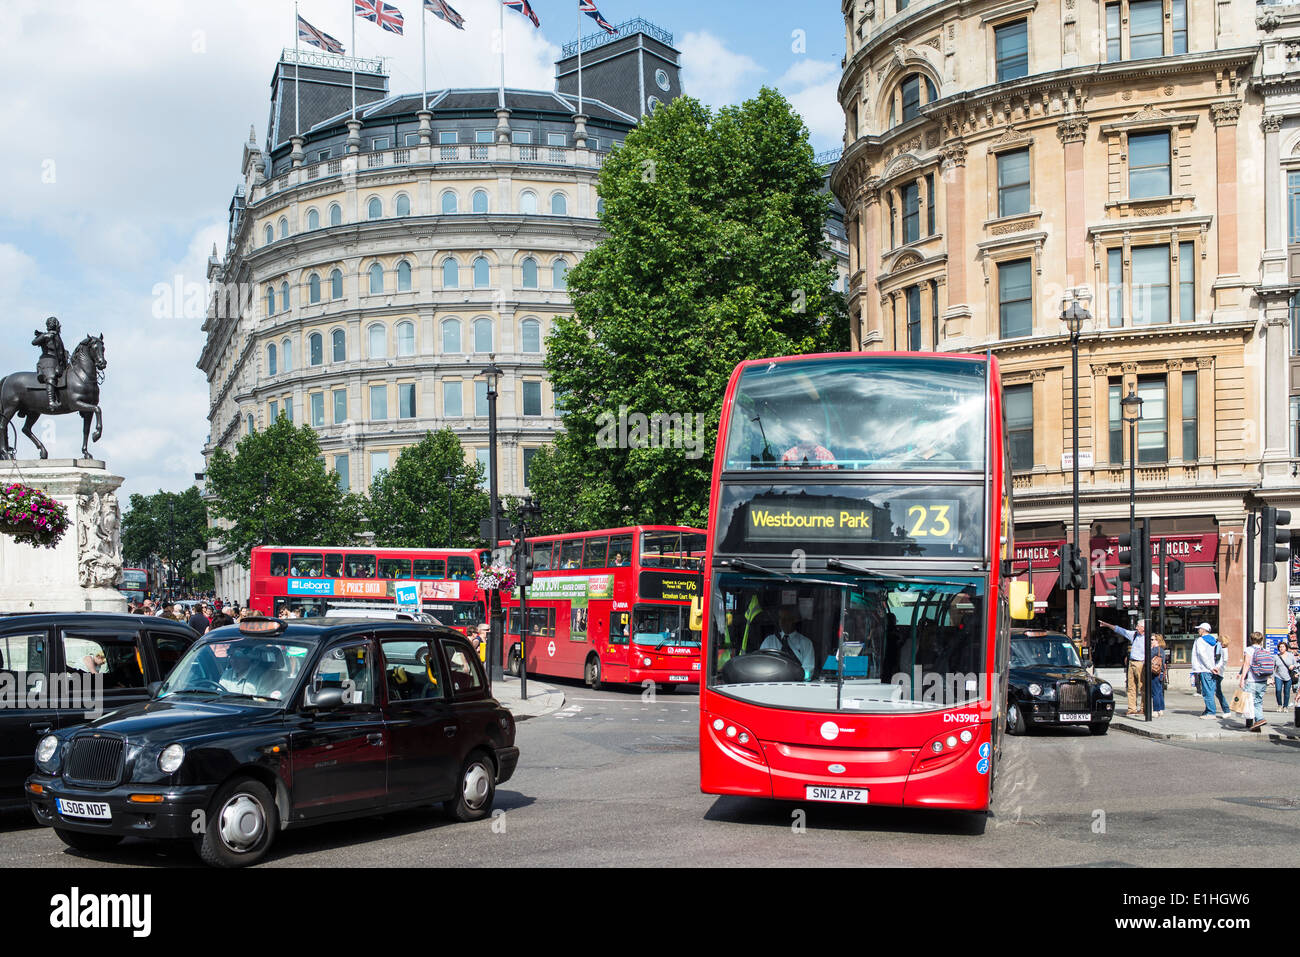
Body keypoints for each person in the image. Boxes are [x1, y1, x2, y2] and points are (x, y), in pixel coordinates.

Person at [1098, 618, 1146, 715]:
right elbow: (1120, 630)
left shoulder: (1148, 638)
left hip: (1141, 663)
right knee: (1131, 686)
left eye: (1138, 626)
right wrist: (1107, 624)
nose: (1136, 627)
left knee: (1142, 687)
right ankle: (1132, 708)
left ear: (1143, 628)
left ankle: (1143, 708)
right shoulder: (1135, 635)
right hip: (1132, 662)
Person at [759, 607, 816, 679]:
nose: (783, 622)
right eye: (781, 618)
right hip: (771, 685)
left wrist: (795, 676)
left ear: (795, 620)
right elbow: (760, 666)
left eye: (787, 619)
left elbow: (808, 672)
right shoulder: (769, 641)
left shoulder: (806, 643)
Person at [31, 316, 67, 412]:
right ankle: (51, 402)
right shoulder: (45, 335)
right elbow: (34, 342)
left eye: (54, 323)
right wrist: (44, 336)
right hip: (47, 361)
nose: (52, 324)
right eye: (50, 323)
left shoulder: (58, 337)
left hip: (58, 362)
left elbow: (60, 351)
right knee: (51, 376)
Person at [1239, 631, 1273, 732]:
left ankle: (1260, 719)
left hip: (1252, 680)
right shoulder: (1265, 650)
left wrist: (1242, 679)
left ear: (1251, 639)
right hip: (1263, 680)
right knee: (1258, 701)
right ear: (1261, 640)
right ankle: (1256, 725)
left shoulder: (1249, 650)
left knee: (1250, 702)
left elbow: (1246, 664)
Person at [1190, 622, 1224, 718]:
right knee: (1210, 690)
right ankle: (1208, 710)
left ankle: (1211, 712)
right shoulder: (1213, 640)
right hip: (1212, 668)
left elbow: (1202, 655)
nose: (1198, 630)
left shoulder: (1200, 640)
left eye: (1199, 629)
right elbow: (1219, 655)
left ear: (1203, 630)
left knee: (1207, 691)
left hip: (1204, 668)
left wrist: (1210, 667)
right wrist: (1215, 666)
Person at [1149, 633, 1168, 717]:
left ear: (1157, 641)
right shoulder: (1162, 650)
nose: (1150, 641)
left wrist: (1149, 649)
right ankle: (1160, 709)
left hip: (1154, 672)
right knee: (1159, 691)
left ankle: (1156, 710)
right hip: (1160, 672)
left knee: (1155, 692)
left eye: (1152, 640)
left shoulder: (1155, 649)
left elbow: (1147, 657)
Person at [1275, 639, 1296, 712]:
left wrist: (1293, 666)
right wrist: (1271, 677)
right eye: (1280, 647)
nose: (1281, 648)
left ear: (1286, 647)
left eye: (1283, 647)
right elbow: (1273, 667)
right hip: (1278, 676)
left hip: (1288, 676)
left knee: (1286, 692)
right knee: (1278, 690)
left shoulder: (1291, 655)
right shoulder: (1276, 656)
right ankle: (1280, 705)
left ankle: (1285, 706)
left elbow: (1297, 664)